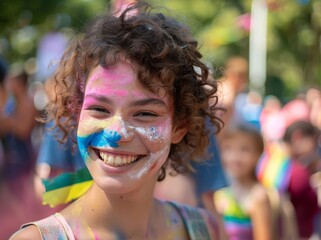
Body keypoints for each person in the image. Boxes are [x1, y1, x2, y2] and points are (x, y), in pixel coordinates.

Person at [10, 2, 222, 239]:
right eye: (99, 109)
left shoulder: (203, 230)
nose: (116, 132)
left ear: (179, 126)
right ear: (77, 113)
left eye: (145, 114)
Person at [214, 125, 272, 240]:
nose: (235, 156)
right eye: (228, 148)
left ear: (258, 154)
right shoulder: (220, 192)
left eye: (244, 149)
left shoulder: (258, 196)